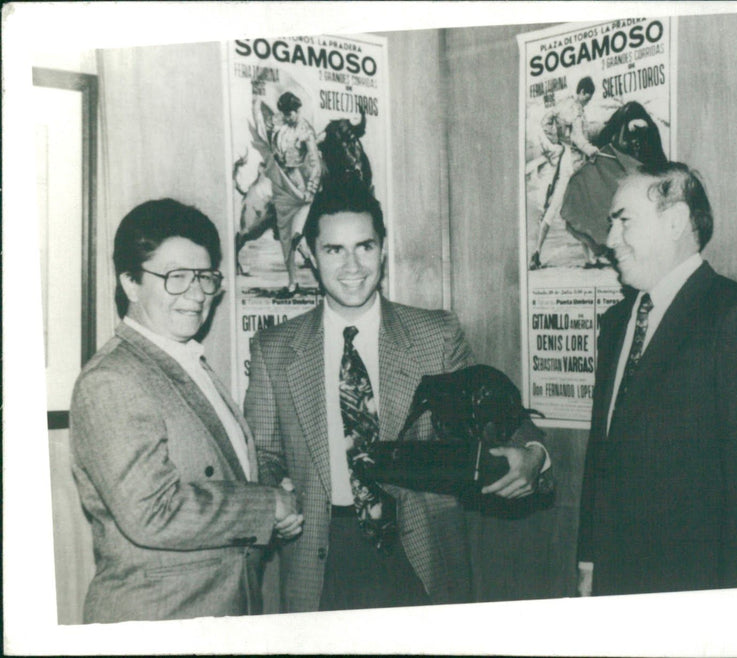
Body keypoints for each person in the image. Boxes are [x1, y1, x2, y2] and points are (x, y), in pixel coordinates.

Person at [244, 180, 552, 612]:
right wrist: (276, 489)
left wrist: (533, 453)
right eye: (334, 250)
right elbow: (263, 453)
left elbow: (500, 414)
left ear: (383, 250)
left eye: (364, 247)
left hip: (419, 553)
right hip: (320, 557)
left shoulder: (435, 334)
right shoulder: (273, 349)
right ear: (310, 256)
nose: (352, 265)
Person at [70, 199, 303, 623]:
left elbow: (223, 473)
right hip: (158, 622)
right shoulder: (112, 380)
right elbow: (153, 512)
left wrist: (273, 498)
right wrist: (266, 505)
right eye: (176, 278)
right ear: (131, 283)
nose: (196, 295)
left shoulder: (184, 360)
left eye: (205, 277)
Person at [577, 163, 737, 596]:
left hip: (696, 592)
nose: (610, 239)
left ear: (674, 221)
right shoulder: (618, 322)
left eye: (623, 222)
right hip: (614, 583)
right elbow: (602, 455)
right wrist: (589, 559)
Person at [529, 76, 600, 269]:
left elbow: (547, 120)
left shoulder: (566, 105)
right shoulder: (575, 109)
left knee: (578, 208)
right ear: (583, 92)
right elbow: (577, 137)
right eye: (589, 96)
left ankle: (588, 259)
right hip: (572, 163)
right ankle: (536, 254)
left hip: (569, 160)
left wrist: (557, 140)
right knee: (560, 206)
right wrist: (590, 149)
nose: (589, 100)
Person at [259, 90, 322, 297]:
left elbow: (315, 163)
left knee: (298, 235)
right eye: (286, 113)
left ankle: (321, 278)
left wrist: (311, 190)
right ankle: (292, 284)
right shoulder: (278, 125)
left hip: (301, 189)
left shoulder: (305, 130)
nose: (289, 116)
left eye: (292, 112)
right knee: (286, 238)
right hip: (281, 188)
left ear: (298, 110)